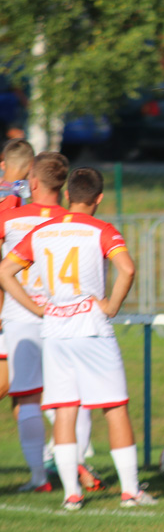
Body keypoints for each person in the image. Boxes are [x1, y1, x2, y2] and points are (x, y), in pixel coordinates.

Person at [0, 167, 153, 511]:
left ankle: (71, 494)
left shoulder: (42, 231)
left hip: (54, 328)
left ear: (68, 195)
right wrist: (111, 305)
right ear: (99, 198)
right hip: (91, 326)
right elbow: (127, 268)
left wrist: (36, 309)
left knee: (64, 409)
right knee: (114, 407)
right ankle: (130, 491)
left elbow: (5, 271)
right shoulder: (101, 229)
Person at [0, 152, 99, 494]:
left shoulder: (11, 219)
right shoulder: (73, 221)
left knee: (26, 396)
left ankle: (39, 478)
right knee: (71, 397)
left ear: (34, 182)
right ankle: (78, 463)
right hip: (63, 315)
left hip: (21, 314)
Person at [0, 138, 34, 402]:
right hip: (10, 307)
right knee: (13, 381)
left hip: (15, 305)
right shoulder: (16, 204)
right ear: (32, 167)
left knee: (23, 390)